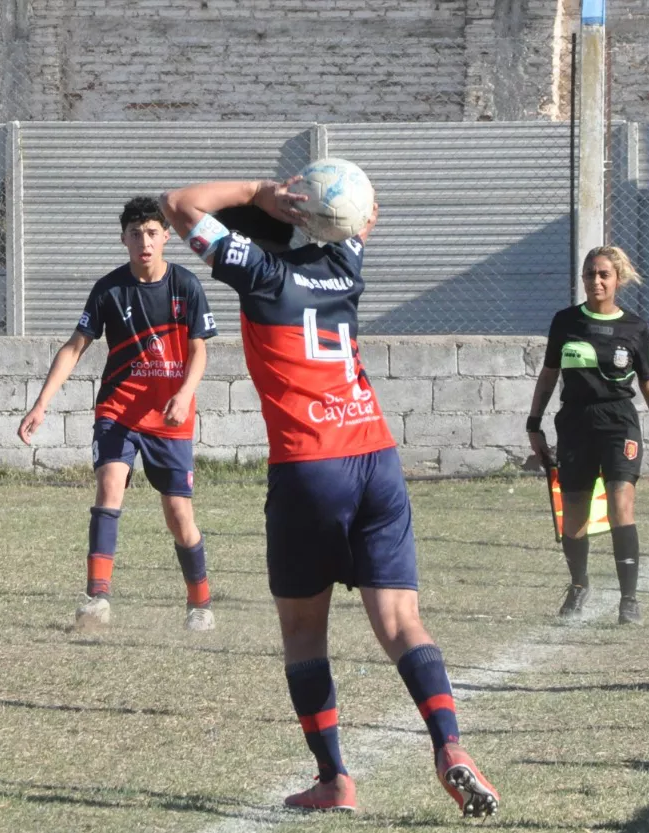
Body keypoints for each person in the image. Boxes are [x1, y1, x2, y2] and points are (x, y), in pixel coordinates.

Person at [158, 178, 498, 817]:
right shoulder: (346, 263)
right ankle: (450, 746)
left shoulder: (258, 273)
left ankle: (335, 779)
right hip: (375, 457)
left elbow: (176, 204)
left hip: (311, 467)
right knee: (402, 623)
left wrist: (260, 190)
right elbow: (367, 210)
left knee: (304, 631)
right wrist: (323, 205)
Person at [17, 196, 220, 631]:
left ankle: (200, 604)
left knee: (179, 516)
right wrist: (41, 404)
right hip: (118, 410)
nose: (144, 242)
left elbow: (200, 350)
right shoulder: (109, 289)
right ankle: (97, 599)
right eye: (135, 234)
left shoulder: (186, 286)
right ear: (123, 239)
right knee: (109, 487)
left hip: (170, 416)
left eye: (151, 233)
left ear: (166, 236)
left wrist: (185, 393)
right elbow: (74, 348)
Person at [527, 246, 649, 625]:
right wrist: (534, 423)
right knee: (574, 511)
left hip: (619, 423)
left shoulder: (635, 328)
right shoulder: (565, 322)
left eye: (604, 274)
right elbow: (548, 376)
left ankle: (629, 600)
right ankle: (578, 586)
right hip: (575, 422)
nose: (596, 281)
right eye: (590, 274)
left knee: (620, 502)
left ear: (617, 279)